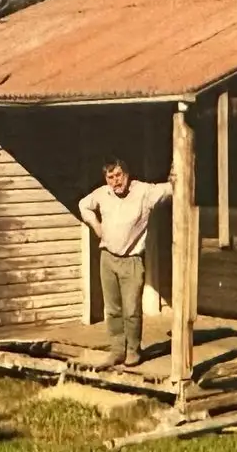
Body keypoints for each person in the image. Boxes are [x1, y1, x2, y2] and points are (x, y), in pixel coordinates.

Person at [78, 157, 174, 367]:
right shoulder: (102, 194)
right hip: (108, 259)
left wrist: (176, 174)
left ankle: (133, 351)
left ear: (127, 175)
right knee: (113, 310)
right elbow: (83, 205)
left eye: (119, 175)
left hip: (131, 261)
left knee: (131, 310)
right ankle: (117, 350)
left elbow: (170, 189)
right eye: (110, 177)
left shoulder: (143, 192)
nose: (116, 181)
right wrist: (96, 226)